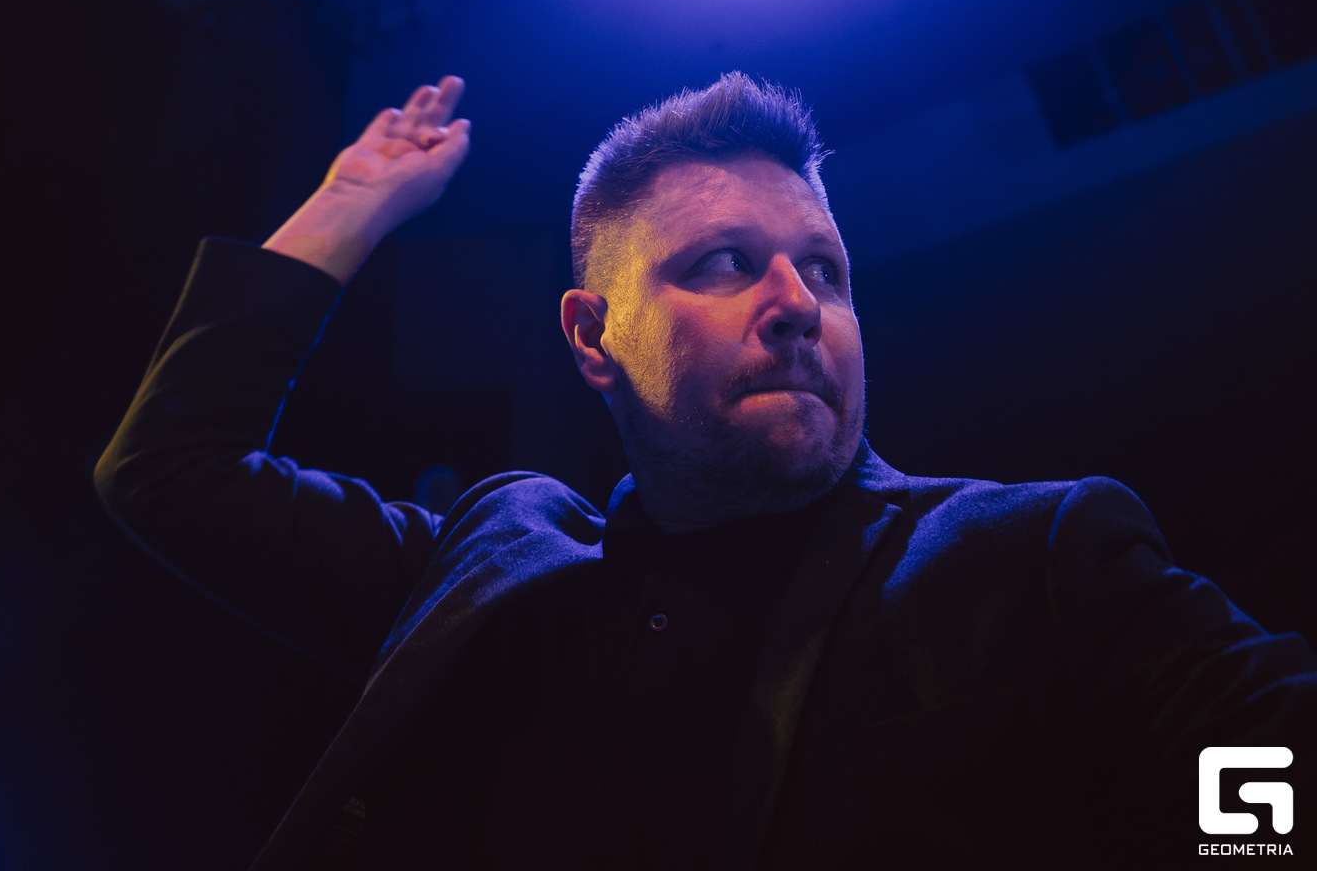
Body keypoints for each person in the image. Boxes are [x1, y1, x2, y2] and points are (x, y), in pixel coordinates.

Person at [95, 73, 1312, 870]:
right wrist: (346, 208)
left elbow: (1271, 759)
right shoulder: (491, 580)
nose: (797, 303)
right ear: (592, 335)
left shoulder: (1030, 557)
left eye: (825, 269)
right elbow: (172, 468)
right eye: (725, 262)